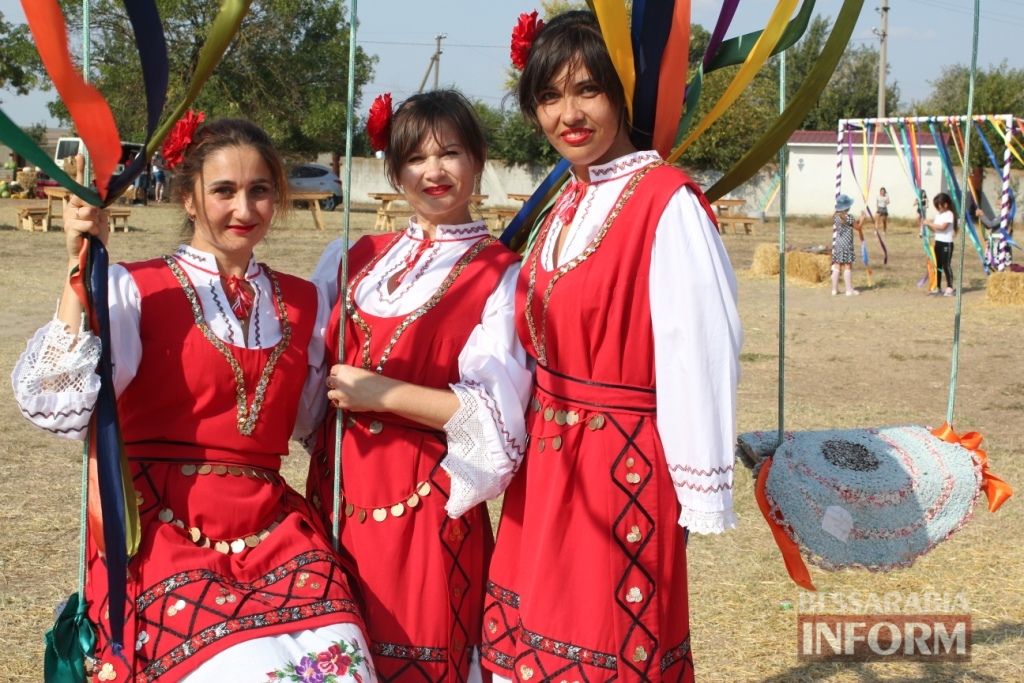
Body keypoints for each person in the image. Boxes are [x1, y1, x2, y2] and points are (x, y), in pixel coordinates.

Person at [11, 119, 375, 682]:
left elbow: (309, 420)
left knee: (341, 659)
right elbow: (57, 404)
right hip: (164, 526)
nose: (244, 208)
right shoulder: (137, 288)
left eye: (259, 190)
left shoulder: (303, 302)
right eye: (223, 191)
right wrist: (78, 267)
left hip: (271, 527)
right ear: (188, 196)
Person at [480, 11, 742, 683]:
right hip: (546, 472)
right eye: (548, 95)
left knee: (607, 653)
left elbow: (699, 348)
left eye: (587, 90)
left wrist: (698, 489)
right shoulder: (564, 204)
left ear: (622, 94)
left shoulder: (666, 202)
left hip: (619, 473)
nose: (567, 113)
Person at [305, 89, 530, 683]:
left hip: (429, 509)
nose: (433, 171)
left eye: (450, 153)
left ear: (478, 161)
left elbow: (497, 421)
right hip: (333, 500)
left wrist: (380, 393)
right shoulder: (353, 257)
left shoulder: (500, 275)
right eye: (416, 158)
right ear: (395, 169)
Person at [922, 192, 958, 295]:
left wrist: (929, 223)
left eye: (938, 205)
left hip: (947, 244)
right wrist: (927, 225)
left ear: (945, 205)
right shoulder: (939, 215)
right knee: (938, 265)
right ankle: (938, 287)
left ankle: (950, 287)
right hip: (938, 242)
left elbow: (942, 227)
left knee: (946, 265)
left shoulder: (949, 215)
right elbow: (935, 229)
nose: (937, 208)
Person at [832, 194, 863, 296]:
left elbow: (849, 224)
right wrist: (863, 219)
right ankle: (849, 290)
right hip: (847, 245)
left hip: (838, 244)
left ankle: (834, 289)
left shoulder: (836, 217)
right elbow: (858, 227)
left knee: (837, 265)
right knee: (847, 265)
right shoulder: (849, 217)